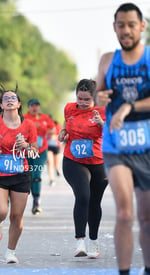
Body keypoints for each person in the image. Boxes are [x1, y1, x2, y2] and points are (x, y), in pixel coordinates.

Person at [95, 3, 150, 275]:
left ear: (142, 26)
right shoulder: (107, 60)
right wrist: (100, 98)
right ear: (114, 28)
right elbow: (97, 96)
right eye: (121, 25)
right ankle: (124, 272)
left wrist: (129, 106)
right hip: (116, 146)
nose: (126, 31)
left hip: (147, 146)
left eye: (131, 24)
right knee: (125, 214)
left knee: (146, 217)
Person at [0, 84, 38, 263]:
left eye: (13, 98)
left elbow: (35, 151)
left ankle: (10, 252)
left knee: (16, 216)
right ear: (2, 105)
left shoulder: (29, 125)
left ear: (19, 104)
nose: (10, 100)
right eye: (6, 98)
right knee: (0, 212)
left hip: (20, 173)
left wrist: (27, 147)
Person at [58, 79, 108, 259]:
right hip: (73, 160)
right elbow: (66, 123)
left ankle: (93, 241)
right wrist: (63, 132)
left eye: (87, 99)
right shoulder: (70, 108)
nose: (82, 102)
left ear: (94, 97)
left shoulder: (103, 111)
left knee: (95, 202)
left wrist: (102, 123)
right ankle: (80, 241)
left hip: (99, 162)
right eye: (80, 98)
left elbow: (114, 132)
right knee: (83, 196)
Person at [24, 98, 55, 214]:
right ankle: (25, 197)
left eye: (36, 105)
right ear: (28, 107)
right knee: (28, 175)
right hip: (27, 151)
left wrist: (44, 129)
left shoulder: (45, 118)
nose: (34, 108)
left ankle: (36, 201)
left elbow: (53, 130)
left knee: (36, 174)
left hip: (41, 150)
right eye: (32, 106)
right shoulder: (24, 118)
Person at [46, 116, 62, 186]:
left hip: (56, 146)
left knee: (56, 163)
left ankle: (57, 169)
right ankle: (51, 179)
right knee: (50, 162)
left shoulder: (58, 126)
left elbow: (61, 136)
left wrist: (54, 136)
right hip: (48, 147)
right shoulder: (45, 126)